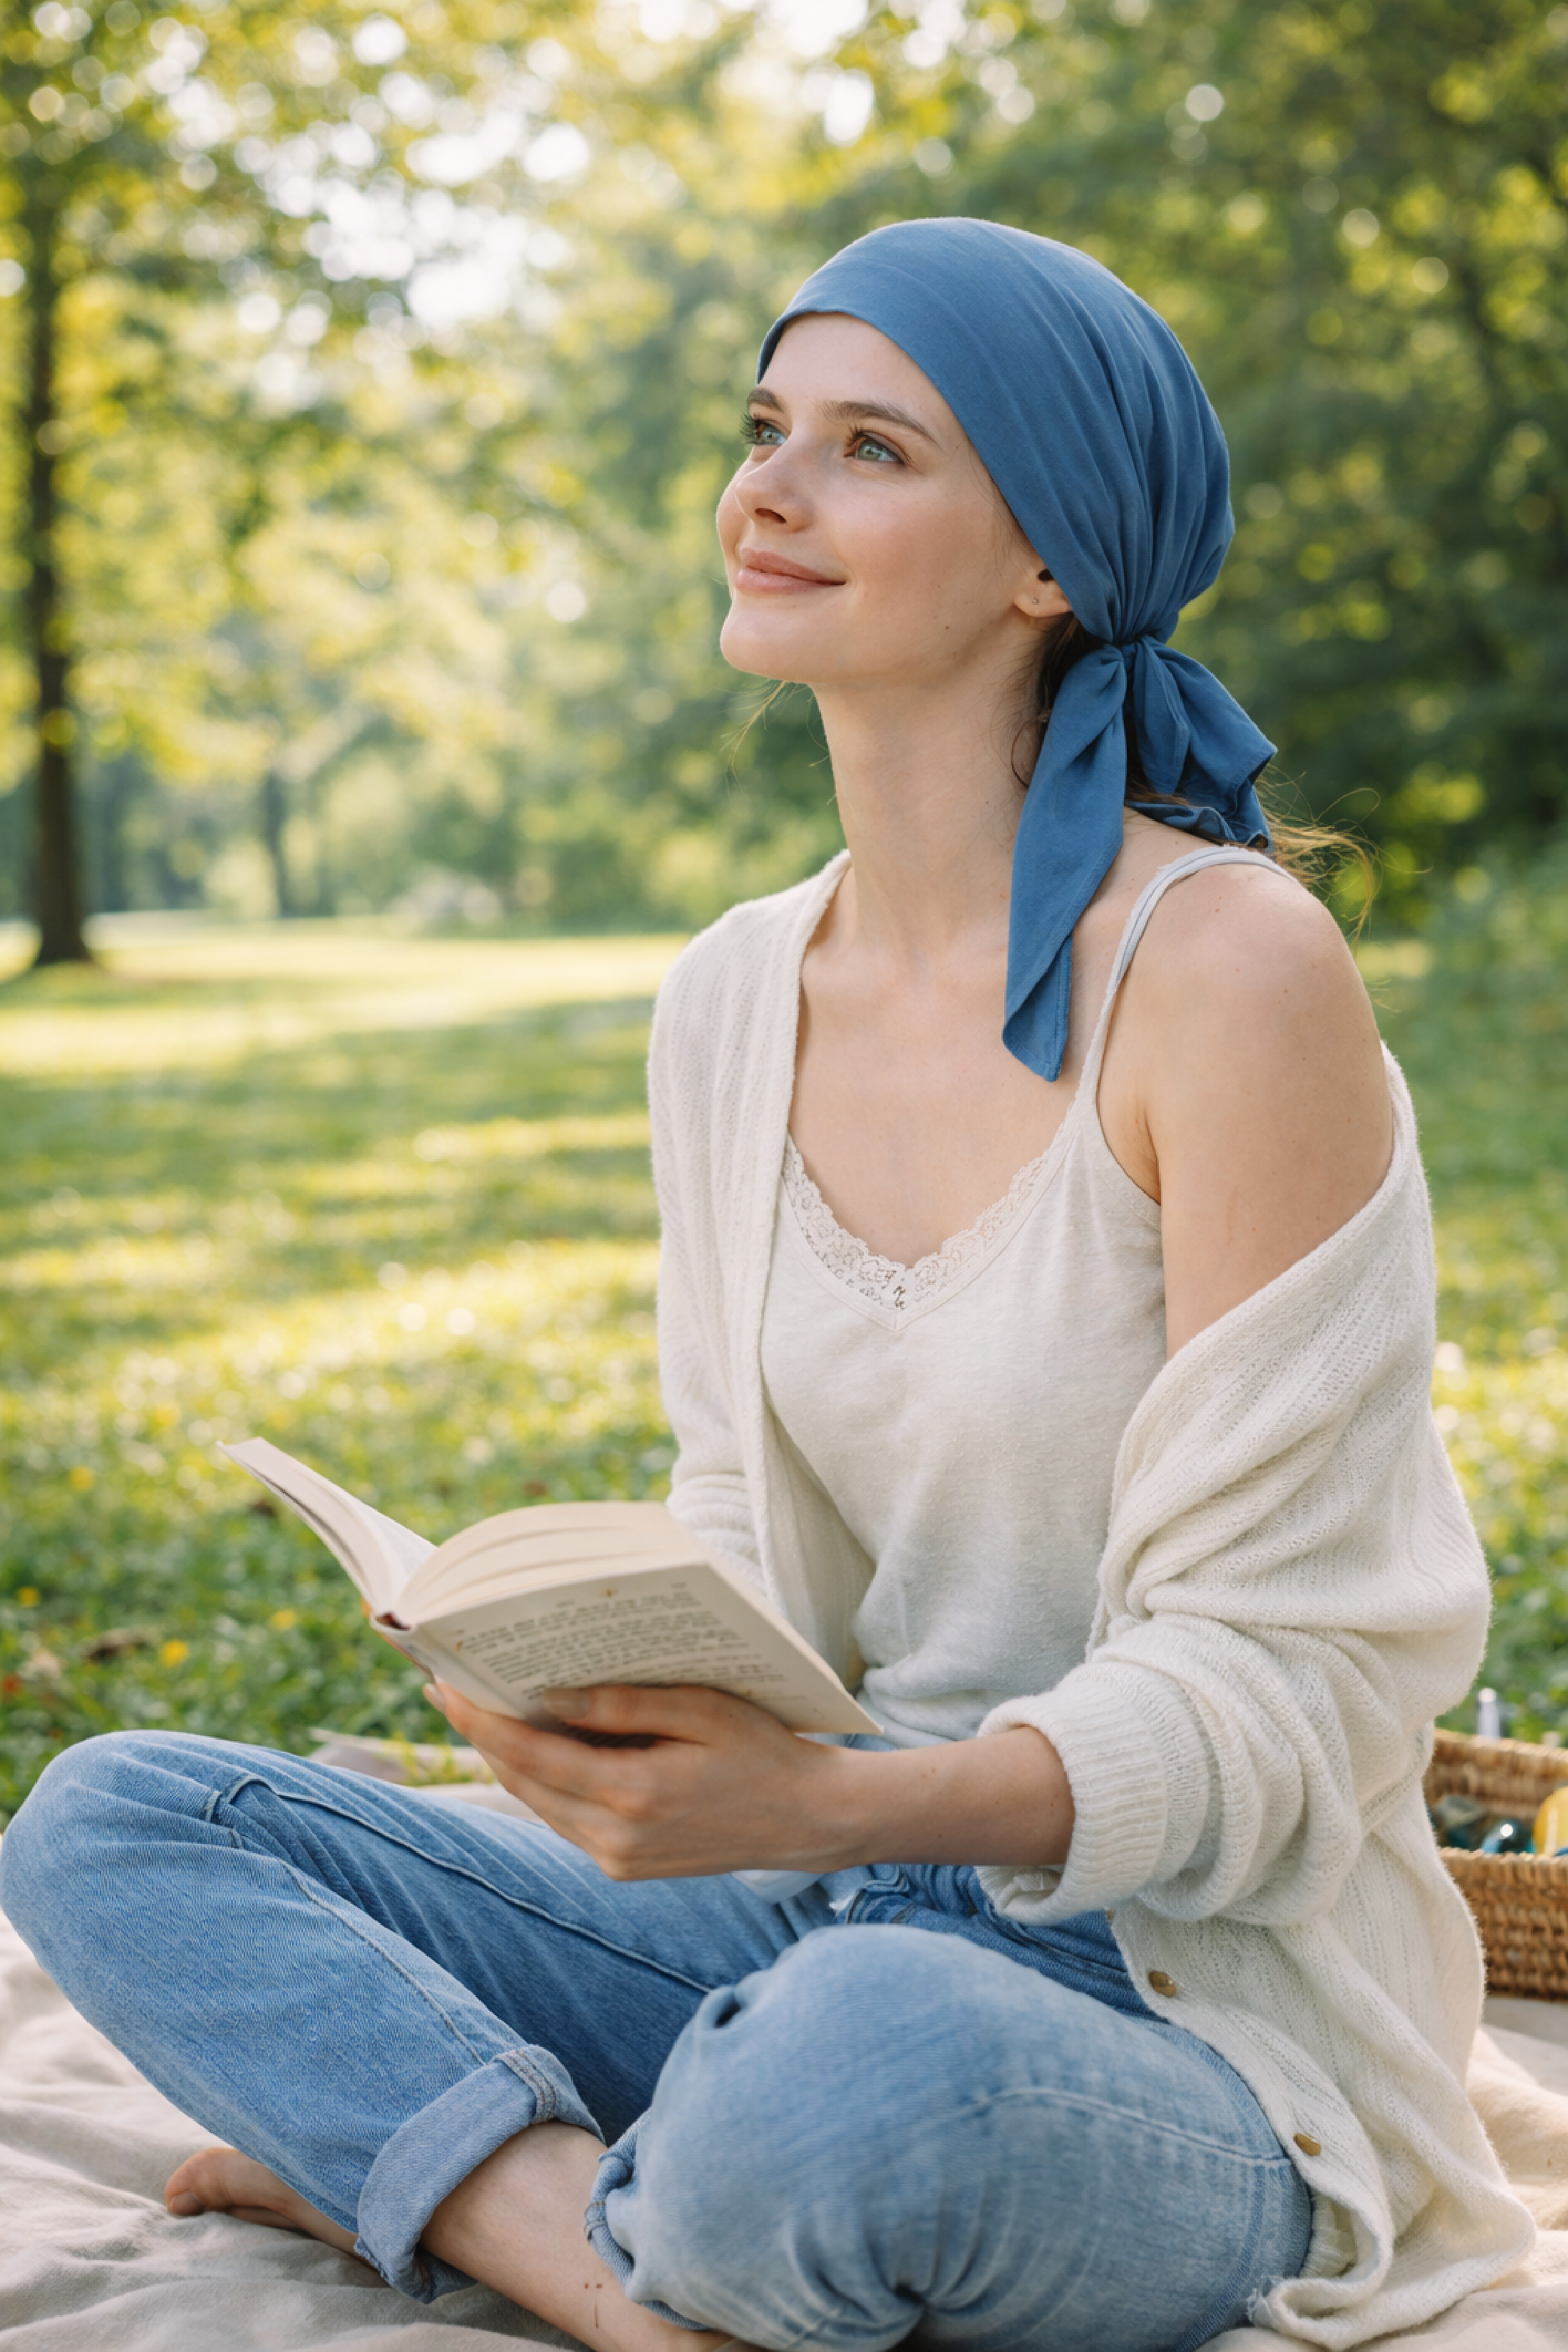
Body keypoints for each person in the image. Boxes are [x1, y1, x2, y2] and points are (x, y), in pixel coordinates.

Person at [0, 220, 1534, 2352]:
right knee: (122, 1815)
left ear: (1050, 565)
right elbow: (746, 1517)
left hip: (1171, 2021)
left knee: (858, 2059)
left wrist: (850, 1805)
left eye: (872, 446)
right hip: (795, 1897)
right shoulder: (732, 992)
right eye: (763, 429)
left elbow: (1298, 1683)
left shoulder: (1230, 971)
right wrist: (626, 1682)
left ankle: (439, 2162)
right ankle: (589, 2236)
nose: (767, 492)